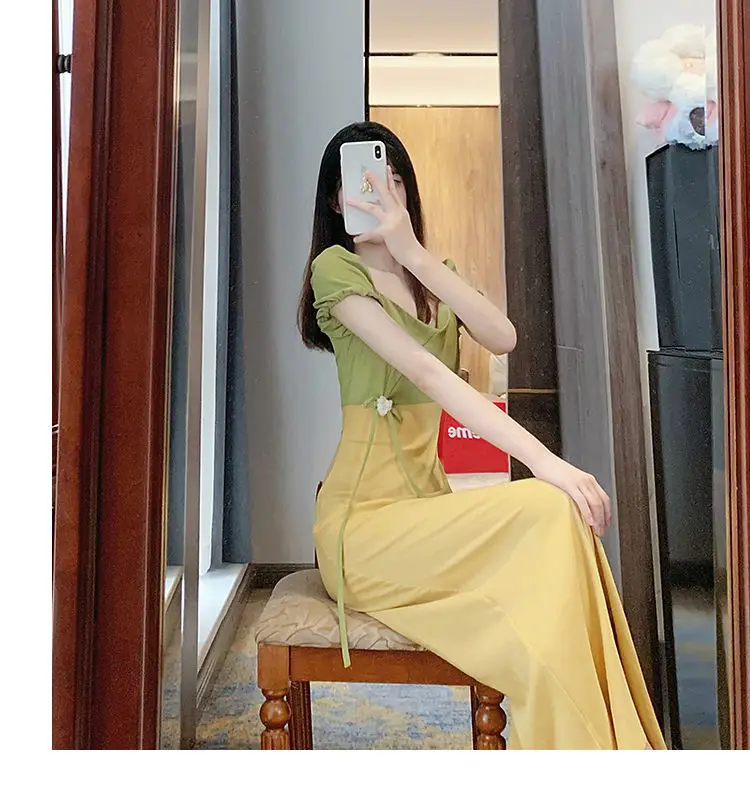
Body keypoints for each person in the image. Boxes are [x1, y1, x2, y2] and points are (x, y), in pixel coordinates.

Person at [297, 121, 666, 750]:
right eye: (363, 181)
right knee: (549, 504)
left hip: (429, 517)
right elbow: (426, 372)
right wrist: (548, 462)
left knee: (555, 540)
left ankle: (587, 749)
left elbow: (503, 337)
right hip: (361, 529)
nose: (381, 191)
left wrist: (414, 255)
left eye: (393, 178)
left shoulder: (433, 274)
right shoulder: (335, 270)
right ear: (337, 201)